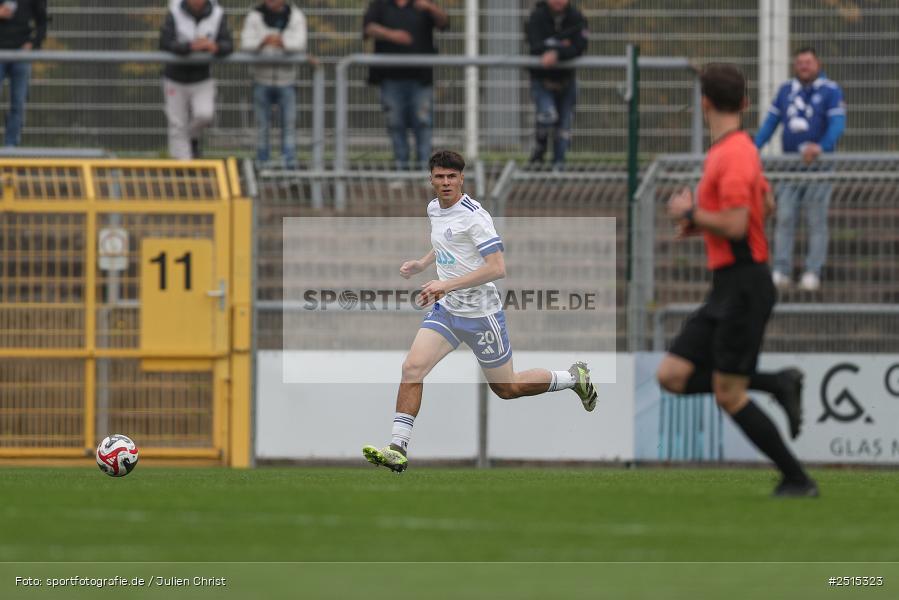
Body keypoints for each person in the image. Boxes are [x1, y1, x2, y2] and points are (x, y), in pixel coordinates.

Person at [362, 150, 597, 473]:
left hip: (481, 315)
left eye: (451, 177)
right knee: (412, 368)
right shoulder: (434, 208)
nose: (445, 183)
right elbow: (447, 242)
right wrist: (422, 263)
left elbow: (497, 268)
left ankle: (572, 378)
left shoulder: (476, 216)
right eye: (440, 177)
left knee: (507, 388)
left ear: (461, 179)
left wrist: (445, 285)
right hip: (448, 312)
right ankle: (397, 448)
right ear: (430, 179)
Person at [660, 64, 817, 498]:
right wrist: (701, 226)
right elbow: (763, 206)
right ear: (745, 104)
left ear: (704, 102)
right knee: (672, 375)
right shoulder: (740, 148)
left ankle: (797, 479)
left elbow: (736, 221)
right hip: (730, 286)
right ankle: (777, 383)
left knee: (728, 394)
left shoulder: (729, 155)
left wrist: (691, 214)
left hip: (744, 286)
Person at [755, 47, 846, 292]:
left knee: (816, 221)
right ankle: (781, 271)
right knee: (784, 218)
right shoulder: (786, 91)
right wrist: (752, 148)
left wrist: (822, 146)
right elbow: (770, 124)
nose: (804, 66)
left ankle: (812, 272)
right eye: (799, 63)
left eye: (808, 62)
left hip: (819, 168)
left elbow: (838, 124)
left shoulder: (831, 90)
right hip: (790, 167)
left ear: (818, 64)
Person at [362, 0, 448, 170]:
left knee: (423, 123)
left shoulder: (424, 4)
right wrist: (392, 35)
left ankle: (425, 170)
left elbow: (444, 23)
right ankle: (401, 169)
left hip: (421, 78)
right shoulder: (380, 5)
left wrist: (431, 8)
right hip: (390, 78)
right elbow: (368, 28)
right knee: (395, 124)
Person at [159, 0, 233, 160]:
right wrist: (189, 47)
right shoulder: (175, 10)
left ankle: (192, 138)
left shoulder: (217, 13)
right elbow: (165, 42)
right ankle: (185, 170)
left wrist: (215, 47)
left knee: (205, 114)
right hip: (175, 77)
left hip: (202, 77)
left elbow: (228, 44)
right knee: (177, 124)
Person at [241, 0, 307, 168]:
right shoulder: (254, 16)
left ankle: (289, 169)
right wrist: (263, 42)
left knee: (289, 127)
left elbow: (300, 44)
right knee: (262, 127)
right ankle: (263, 167)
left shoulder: (295, 16)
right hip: (261, 79)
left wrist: (282, 43)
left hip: (287, 81)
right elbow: (246, 44)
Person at [525, 0, 588, 168]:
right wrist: (563, 45)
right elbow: (535, 45)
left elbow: (580, 47)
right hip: (542, 80)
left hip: (567, 81)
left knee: (564, 128)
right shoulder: (537, 16)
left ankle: (558, 169)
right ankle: (539, 153)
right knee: (547, 116)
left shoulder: (576, 17)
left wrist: (555, 51)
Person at [0, 0, 48, 147]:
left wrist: (33, 44)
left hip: (21, 54)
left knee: (18, 103)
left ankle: (11, 148)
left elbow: (43, 21)